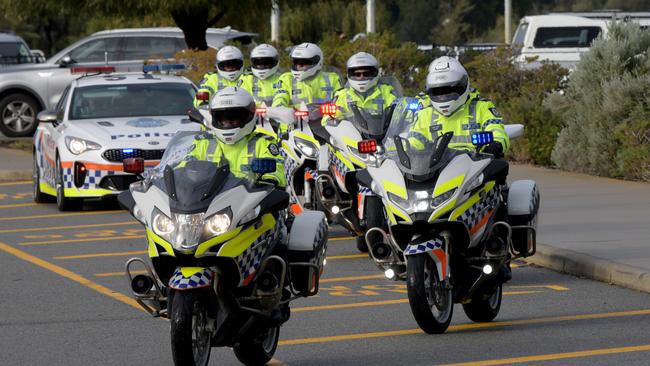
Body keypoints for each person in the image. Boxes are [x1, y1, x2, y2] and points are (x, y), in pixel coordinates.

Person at [184, 87, 285, 187]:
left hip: (250, 199)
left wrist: (270, 179)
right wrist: (178, 175)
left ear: (249, 116)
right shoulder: (204, 143)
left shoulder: (262, 142)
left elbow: (277, 167)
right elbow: (185, 164)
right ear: (214, 118)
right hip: (209, 198)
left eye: (234, 117)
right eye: (223, 118)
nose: (228, 122)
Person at [409, 56, 509, 157]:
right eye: (438, 92)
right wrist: (407, 150)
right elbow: (415, 138)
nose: (443, 96)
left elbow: (496, 129)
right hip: (435, 169)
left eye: (449, 91)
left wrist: (496, 144)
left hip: (475, 165)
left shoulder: (481, 107)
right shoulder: (425, 113)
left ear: (463, 85)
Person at [322, 52, 399, 126]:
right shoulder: (342, 96)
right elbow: (327, 119)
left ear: (375, 73)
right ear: (349, 74)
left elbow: (403, 114)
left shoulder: (386, 92)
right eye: (357, 74)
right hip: (352, 138)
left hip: (384, 137)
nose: (361, 77)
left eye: (366, 74)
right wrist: (336, 121)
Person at [272, 42, 342, 109]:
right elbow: (280, 98)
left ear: (316, 61)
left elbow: (341, 100)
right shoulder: (286, 80)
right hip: (294, 120)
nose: (299, 66)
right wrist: (280, 109)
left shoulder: (332, 79)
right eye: (296, 62)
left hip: (327, 119)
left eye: (303, 63)